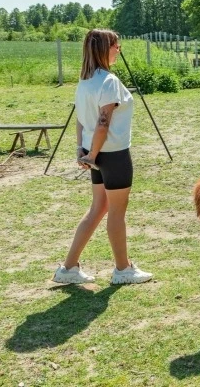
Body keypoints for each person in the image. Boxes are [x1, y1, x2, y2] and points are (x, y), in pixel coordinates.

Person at [52, 29, 153, 285]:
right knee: (116, 212)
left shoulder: (85, 81)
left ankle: (68, 268)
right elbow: (102, 123)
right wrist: (92, 154)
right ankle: (123, 269)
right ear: (103, 49)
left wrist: (83, 150)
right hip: (112, 154)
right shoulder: (108, 81)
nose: (119, 49)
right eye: (115, 45)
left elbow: (80, 120)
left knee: (99, 208)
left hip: (94, 153)